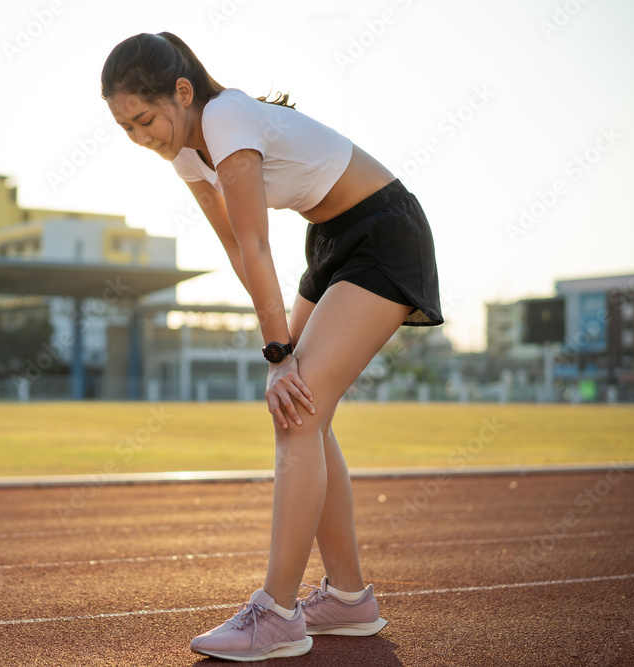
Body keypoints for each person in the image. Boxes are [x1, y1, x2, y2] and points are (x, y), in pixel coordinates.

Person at [102, 32, 443, 662]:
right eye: (125, 128)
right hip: (331, 240)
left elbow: (257, 246)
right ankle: (346, 597)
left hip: (383, 230)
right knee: (309, 418)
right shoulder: (186, 154)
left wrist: (278, 354)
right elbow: (236, 248)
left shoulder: (226, 114)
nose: (141, 137)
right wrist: (280, 351)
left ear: (182, 92)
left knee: (296, 411)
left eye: (145, 119)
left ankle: (277, 611)